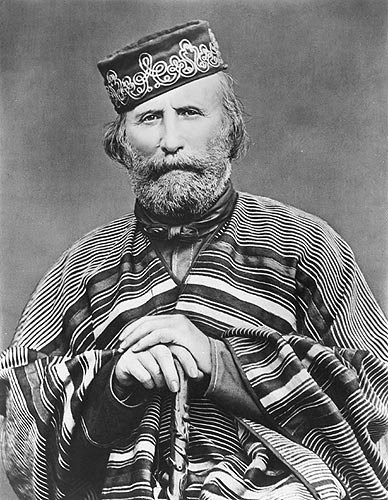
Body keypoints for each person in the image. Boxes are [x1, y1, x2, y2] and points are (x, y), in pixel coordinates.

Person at [1, 19, 387, 500]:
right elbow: (17, 438)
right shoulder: (79, 271)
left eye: (189, 112)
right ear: (122, 144)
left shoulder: (303, 243)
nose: (169, 139)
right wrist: (109, 386)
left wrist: (220, 363)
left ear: (230, 128)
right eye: (147, 119)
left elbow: (378, 401)